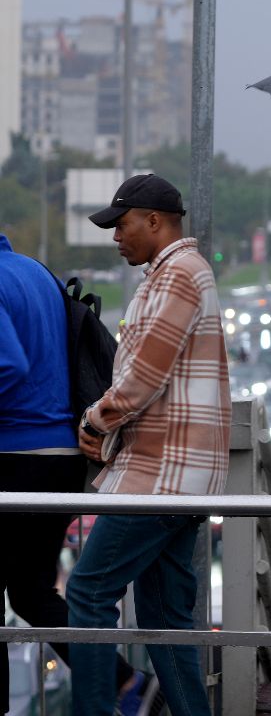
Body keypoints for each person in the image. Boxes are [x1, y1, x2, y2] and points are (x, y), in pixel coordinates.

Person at [67, 173, 230, 716]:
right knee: (166, 617)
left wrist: (95, 421)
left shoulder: (179, 276)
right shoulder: (176, 274)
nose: (116, 237)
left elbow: (143, 377)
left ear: (154, 221)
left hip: (161, 474)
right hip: (178, 476)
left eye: (121, 224)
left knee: (87, 595)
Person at [0, 235, 154, 714]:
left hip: (15, 457)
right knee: (30, 591)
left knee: (29, 590)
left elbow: (7, 364)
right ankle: (128, 684)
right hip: (61, 455)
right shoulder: (33, 271)